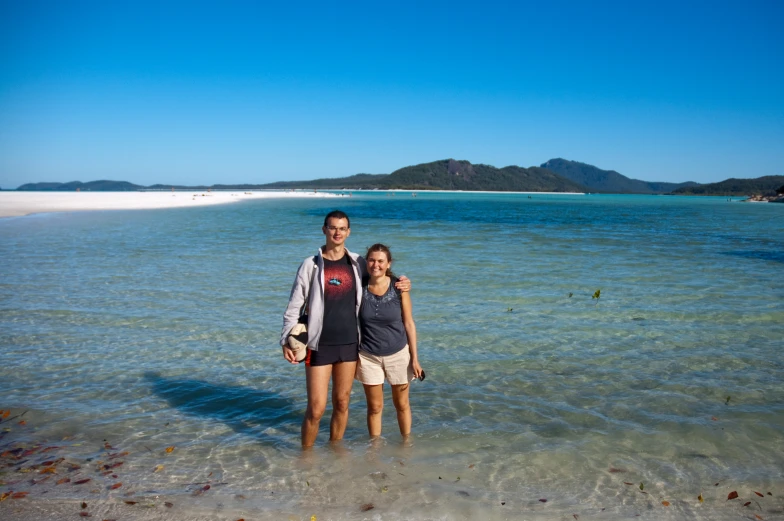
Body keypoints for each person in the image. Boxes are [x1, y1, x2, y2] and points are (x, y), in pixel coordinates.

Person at [280, 211, 410, 448]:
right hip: (319, 345)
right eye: (333, 228)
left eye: (342, 228)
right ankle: (305, 459)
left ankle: (335, 455)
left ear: (348, 232)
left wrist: (403, 282)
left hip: (350, 344)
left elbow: (379, 275)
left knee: (342, 403)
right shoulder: (310, 265)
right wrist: (285, 340)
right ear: (324, 230)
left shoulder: (358, 262)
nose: (337, 232)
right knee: (316, 409)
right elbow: (294, 305)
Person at [356, 244, 423, 439]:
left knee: (401, 405)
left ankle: (406, 446)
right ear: (366, 262)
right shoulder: (359, 287)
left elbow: (409, 323)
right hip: (368, 356)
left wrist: (415, 359)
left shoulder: (399, 288)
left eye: (380, 261)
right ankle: (375, 451)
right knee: (374, 407)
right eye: (371, 260)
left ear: (388, 264)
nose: (375, 264)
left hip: (399, 354)